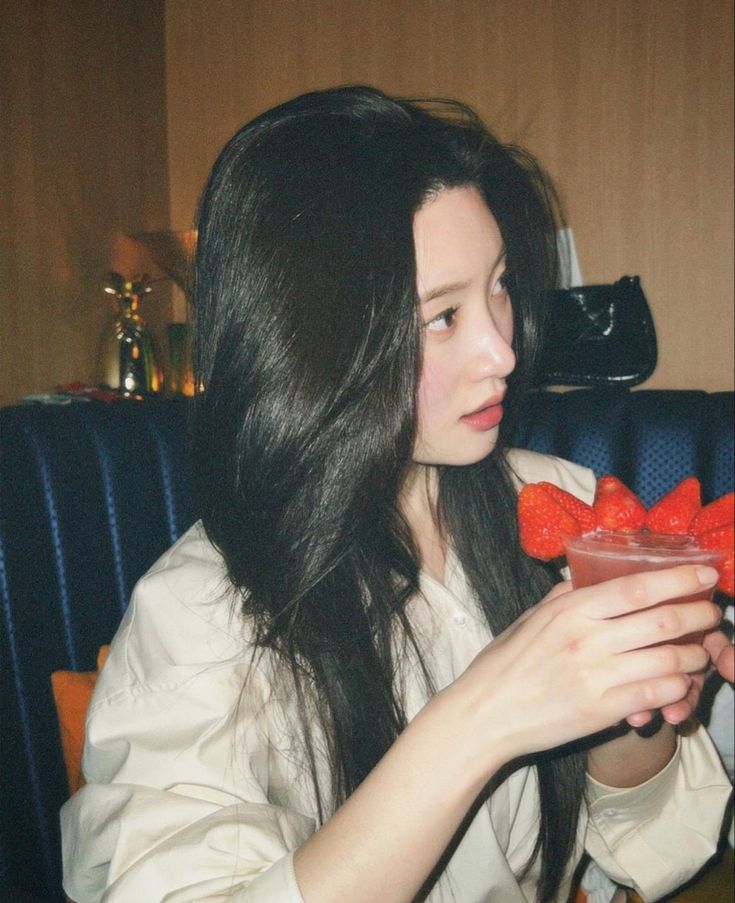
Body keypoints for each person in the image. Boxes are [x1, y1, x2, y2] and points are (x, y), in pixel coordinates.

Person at [61, 86, 732, 903]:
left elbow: (639, 839)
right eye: (442, 316)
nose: (503, 348)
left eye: (499, 285)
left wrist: (641, 712)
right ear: (316, 346)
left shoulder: (562, 504)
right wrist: (480, 719)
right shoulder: (201, 610)